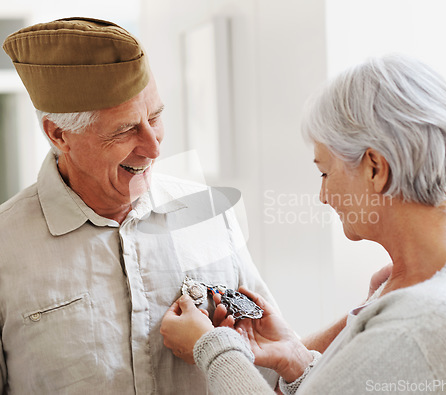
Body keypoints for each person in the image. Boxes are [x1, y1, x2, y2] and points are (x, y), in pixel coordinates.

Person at [160, 55, 446, 394]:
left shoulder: (409, 328)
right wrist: (297, 360)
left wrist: (213, 348)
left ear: (375, 169)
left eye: (325, 172)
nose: (323, 196)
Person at [0, 17, 282, 394]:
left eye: (155, 117)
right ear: (59, 134)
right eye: (125, 129)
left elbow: (275, 367)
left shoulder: (211, 214)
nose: (154, 146)